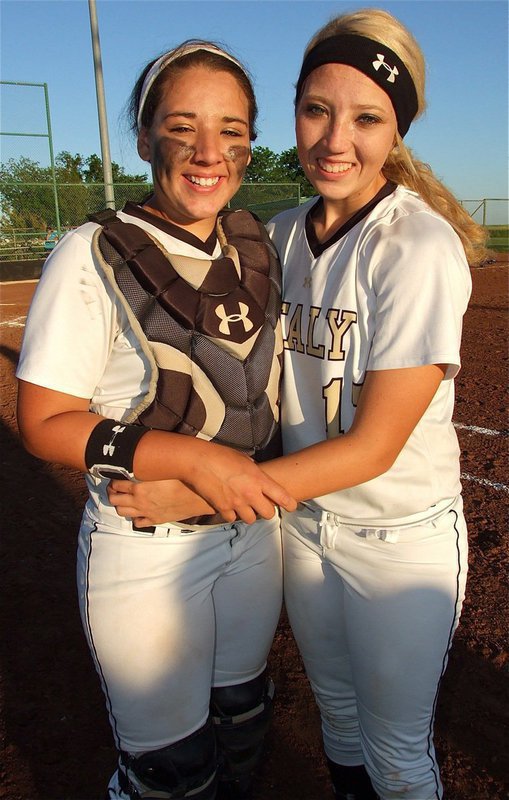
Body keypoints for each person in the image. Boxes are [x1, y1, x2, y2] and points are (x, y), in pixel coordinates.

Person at [106, 9, 490, 799]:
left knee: (396, 755)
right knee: (338, 721)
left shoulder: (415, 247)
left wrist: (200, 486)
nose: (333, 139)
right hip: (305, 529)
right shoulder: (277, 235)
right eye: (316, 109)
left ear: (397, 132)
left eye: (366, 118)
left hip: (395, 537)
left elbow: (373, 447)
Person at [16, 40, 297, 800]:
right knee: (171, 774)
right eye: (182, 127)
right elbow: (42, 421)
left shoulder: (256, 243)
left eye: (231, 130)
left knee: (242, 724)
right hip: (146, 548)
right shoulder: (92, 252)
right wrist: (191, 460)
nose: (209, 152)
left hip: (251, 533)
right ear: (144, 139)